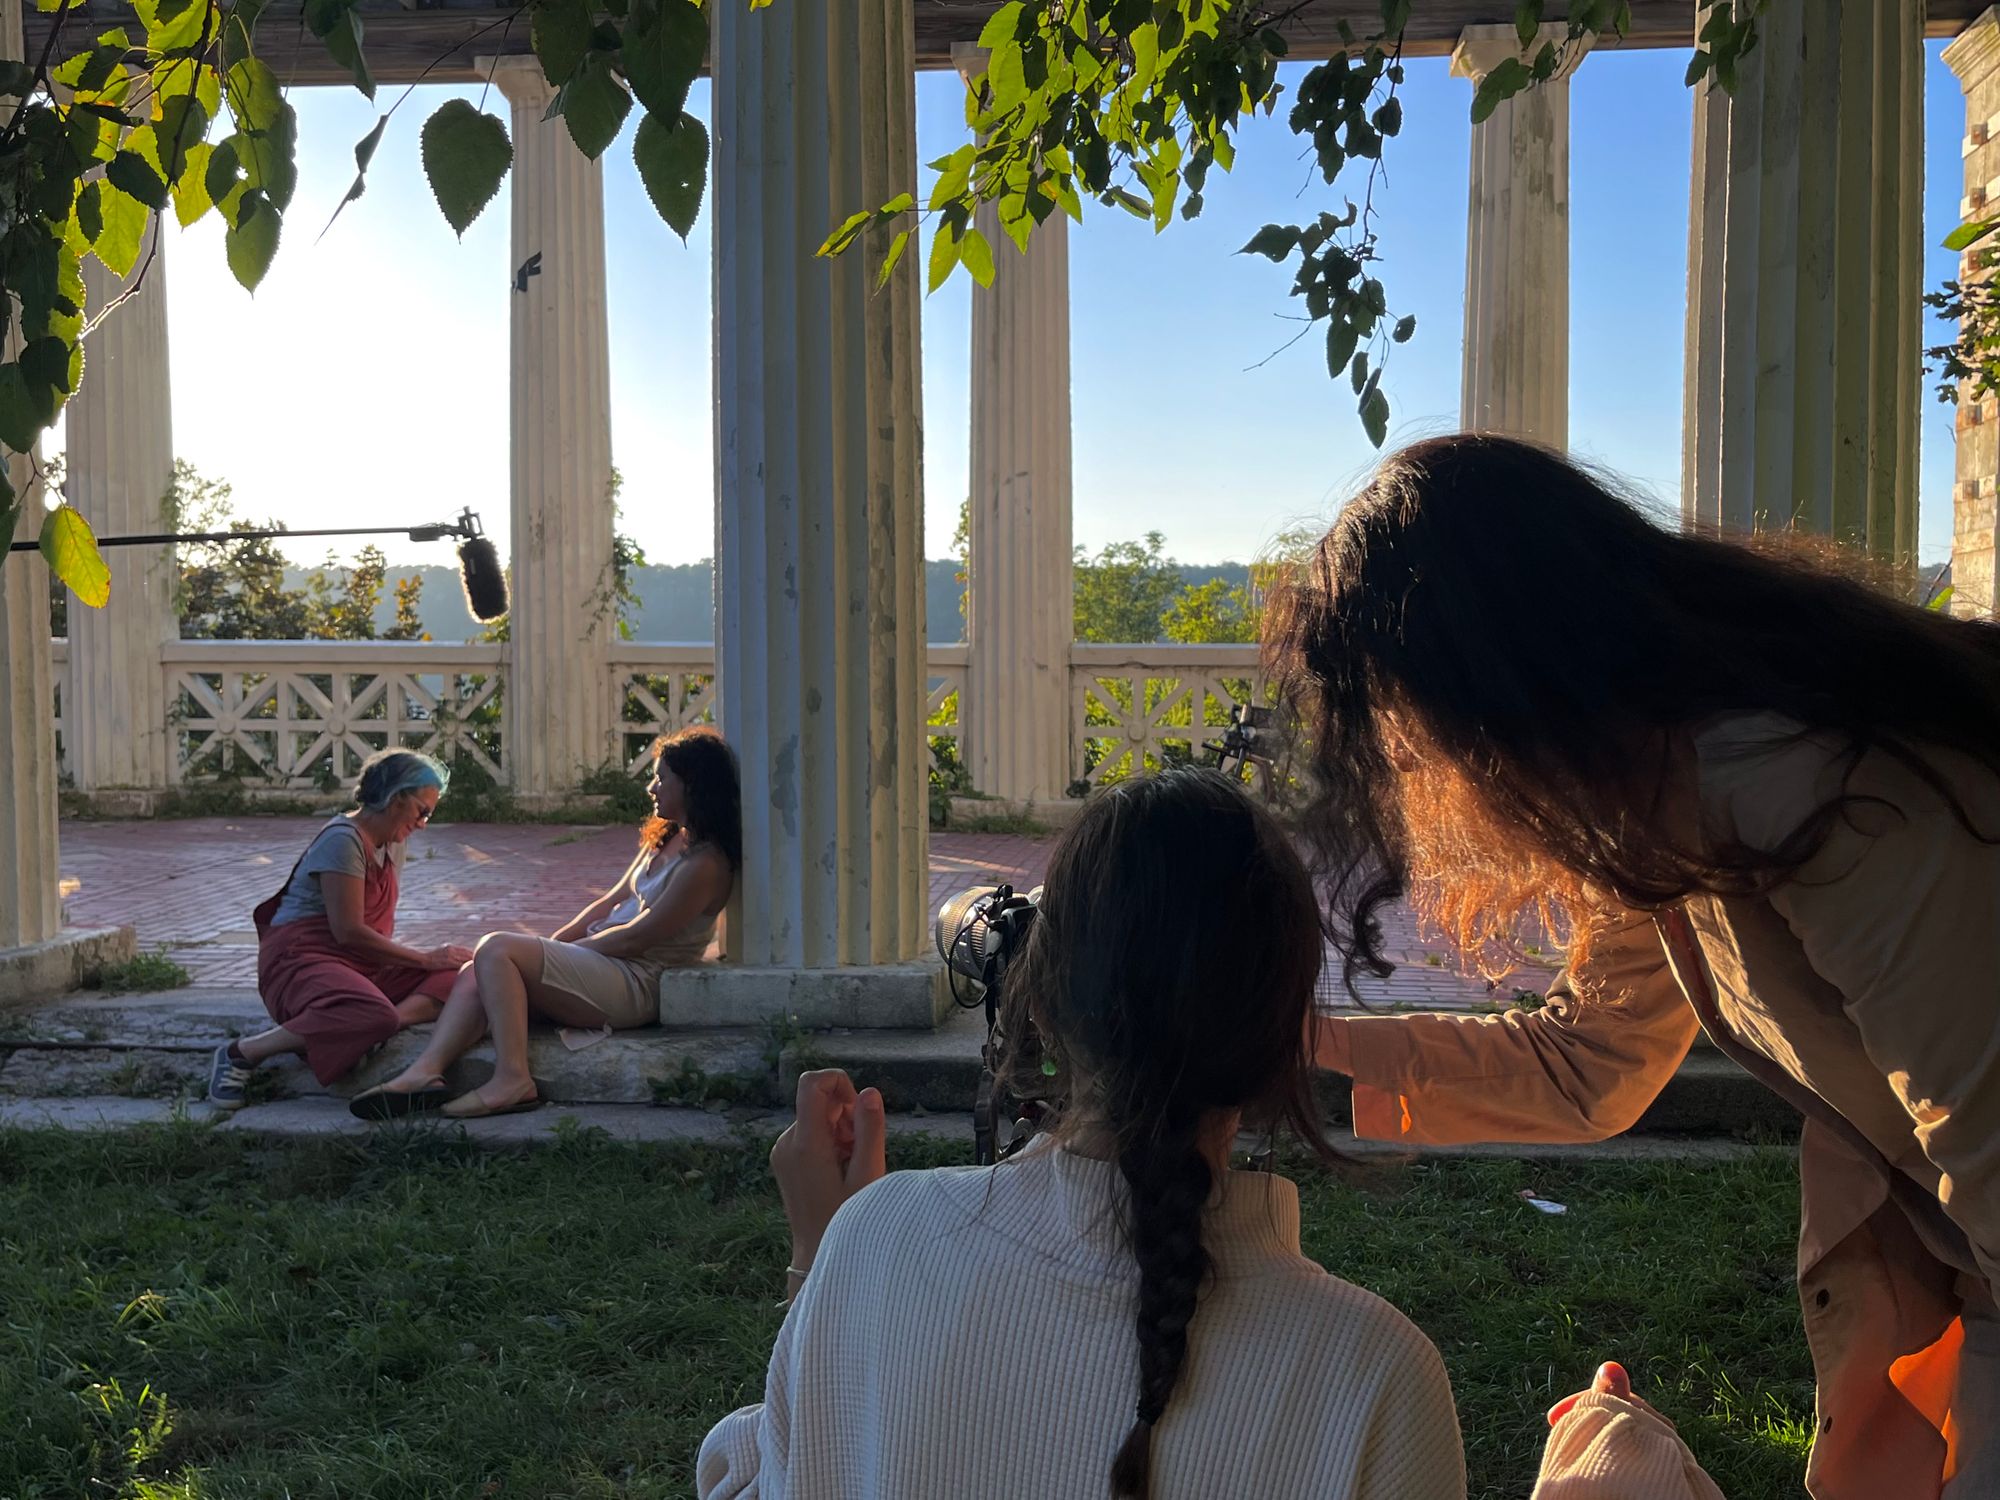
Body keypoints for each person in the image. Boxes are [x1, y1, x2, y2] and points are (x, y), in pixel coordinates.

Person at [1266, 433, 2000, 1500]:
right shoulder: (1643, 782)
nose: (1411, 768)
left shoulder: (1809, 783)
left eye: (1401, 724)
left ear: (1482, 687)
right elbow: (1590, 1059)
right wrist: (1304, 1037)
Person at [697, 768, 1721, 1499]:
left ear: (1040, 1002)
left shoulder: (874, 1243)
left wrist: (815, 1257)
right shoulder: (1374, 1375)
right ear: (1291, 1048)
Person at [352, 725, 740, 1120]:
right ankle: (424, 1072)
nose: (652, 789)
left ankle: (513, 1078)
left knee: (496, 948)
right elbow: (609, 901)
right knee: (474, 971)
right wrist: (553, 944)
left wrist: (559, 954)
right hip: (603, 963)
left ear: (692, 785)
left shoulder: (706, 864)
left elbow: (636, 939)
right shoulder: (669, 837)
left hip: (635, 980)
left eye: (661, 779)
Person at [206, 748, 473, 1110]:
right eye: (421, 812)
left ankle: (366, 1026)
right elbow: (348, 931)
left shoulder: (393, 842)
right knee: (375, 1010)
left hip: (360, 965)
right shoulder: (343, 840)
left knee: (464, 974)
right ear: (396, 799)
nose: (423, 823)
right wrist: (424, 959)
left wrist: (432, 963)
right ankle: (242, 1053)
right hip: (301, 961)